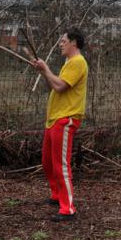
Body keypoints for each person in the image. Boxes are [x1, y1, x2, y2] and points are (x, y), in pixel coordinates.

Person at [29, 28, 88, 221]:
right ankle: (57, 196)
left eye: (64, 41)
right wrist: (43, 70)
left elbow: (60, 86)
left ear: (74, 43)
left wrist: (45, 69)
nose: (60, 44)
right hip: (54, 119)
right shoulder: (69, 63)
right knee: (47, 162)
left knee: (61, 166)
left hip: (66, 119)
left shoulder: (78, 62)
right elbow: (56, 83)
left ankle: (68, 208)